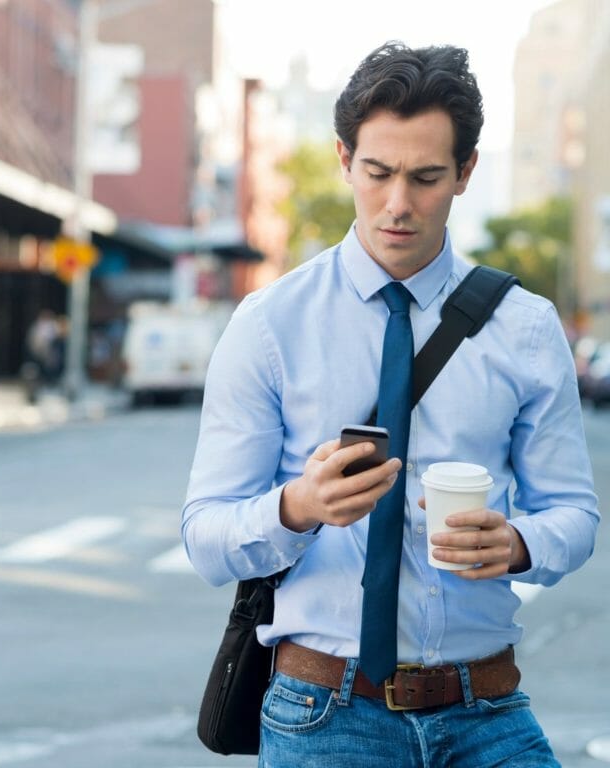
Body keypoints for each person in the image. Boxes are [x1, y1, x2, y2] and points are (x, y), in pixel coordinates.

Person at [182, 41, 599, 767]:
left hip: (488, 710)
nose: (398, 204)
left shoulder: (525, 327)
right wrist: (299, 506)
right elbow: (206, 535)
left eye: (427, 177)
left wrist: (520, 545)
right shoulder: (269, 324)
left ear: (466, 172)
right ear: (344, 159)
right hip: (325, 714)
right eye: (377, 173)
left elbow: (574, 512)